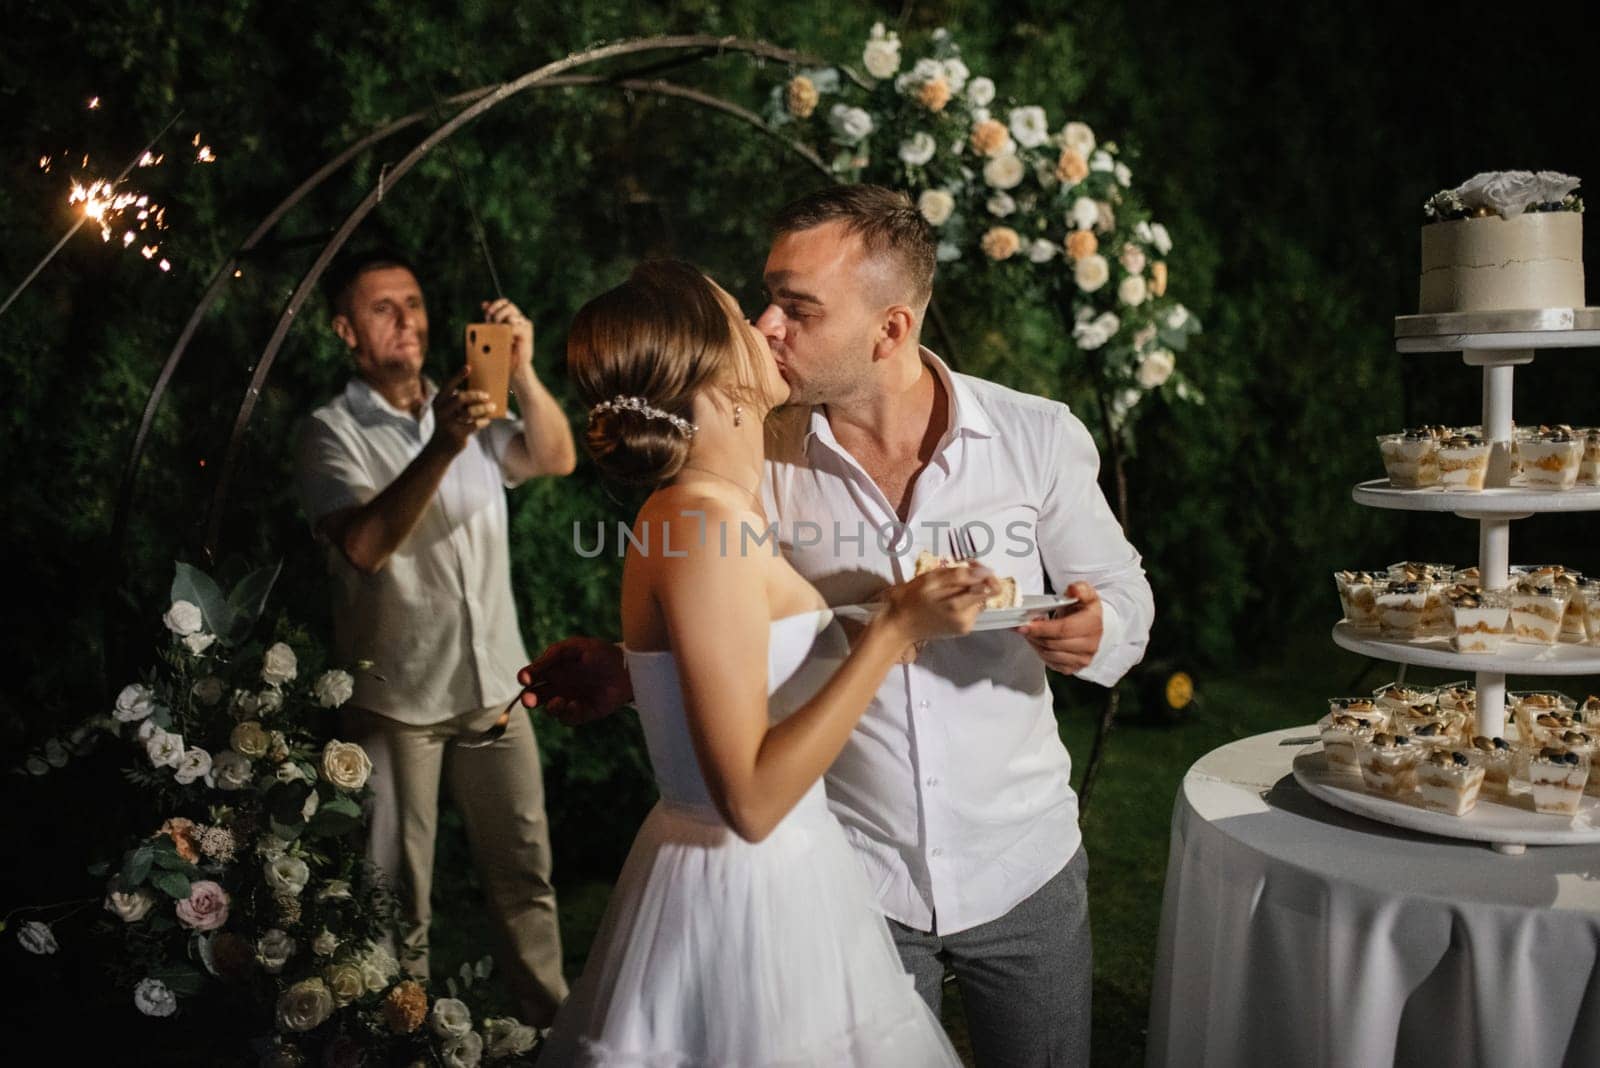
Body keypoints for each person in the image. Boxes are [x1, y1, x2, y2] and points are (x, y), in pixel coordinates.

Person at [527, 186, 1155, 1064]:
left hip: (1023, 865)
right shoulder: (754, 464)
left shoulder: (1035, 436)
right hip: (853, 879)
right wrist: (641, 674)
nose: (767, 323)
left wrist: (1103, 632)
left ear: (890, 329)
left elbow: (1124, 592)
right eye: (764, 298)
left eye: (796, 307)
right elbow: (738, 651)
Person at [536, 260, 991, 1066]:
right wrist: (889, 633)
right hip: (742, 893)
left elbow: (738, 673)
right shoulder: (704, 526)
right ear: (710, 362)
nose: (765, 326)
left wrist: (638, 677)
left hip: (780, 877)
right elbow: (748, 797)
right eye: (739, 314)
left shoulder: (712, 510)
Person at [293, 248, 577, 1028]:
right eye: (383, 308)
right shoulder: (329, 432)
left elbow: (556, 455)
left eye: (413, 303)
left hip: (497, 690)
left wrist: (520, 371)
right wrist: (442, 444)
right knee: (396, 901)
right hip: (399, 696)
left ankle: (551, 1029)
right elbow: (364, 545)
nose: (406, 319)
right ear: (346, 330)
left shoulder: (474, 405)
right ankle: (397, 1040)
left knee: (527, 880)